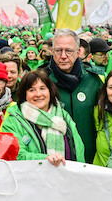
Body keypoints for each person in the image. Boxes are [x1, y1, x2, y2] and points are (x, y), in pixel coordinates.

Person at [42, 28, 104, 163]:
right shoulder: (42, 80)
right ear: (52, 52)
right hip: (55, 162)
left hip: (90, 160)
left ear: (78, 52)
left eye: (69, 51)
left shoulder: (94, 80)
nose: (63, 55)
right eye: (58, 50)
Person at [0, 70, 84, 164]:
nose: (38, 94)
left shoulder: (63, 116)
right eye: (32, 90)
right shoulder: (13, 121)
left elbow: (78, 149)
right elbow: (15, 155)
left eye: (42, 88)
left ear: (50, 90)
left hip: (67, 176)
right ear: (24, 94)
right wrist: (45, 160)